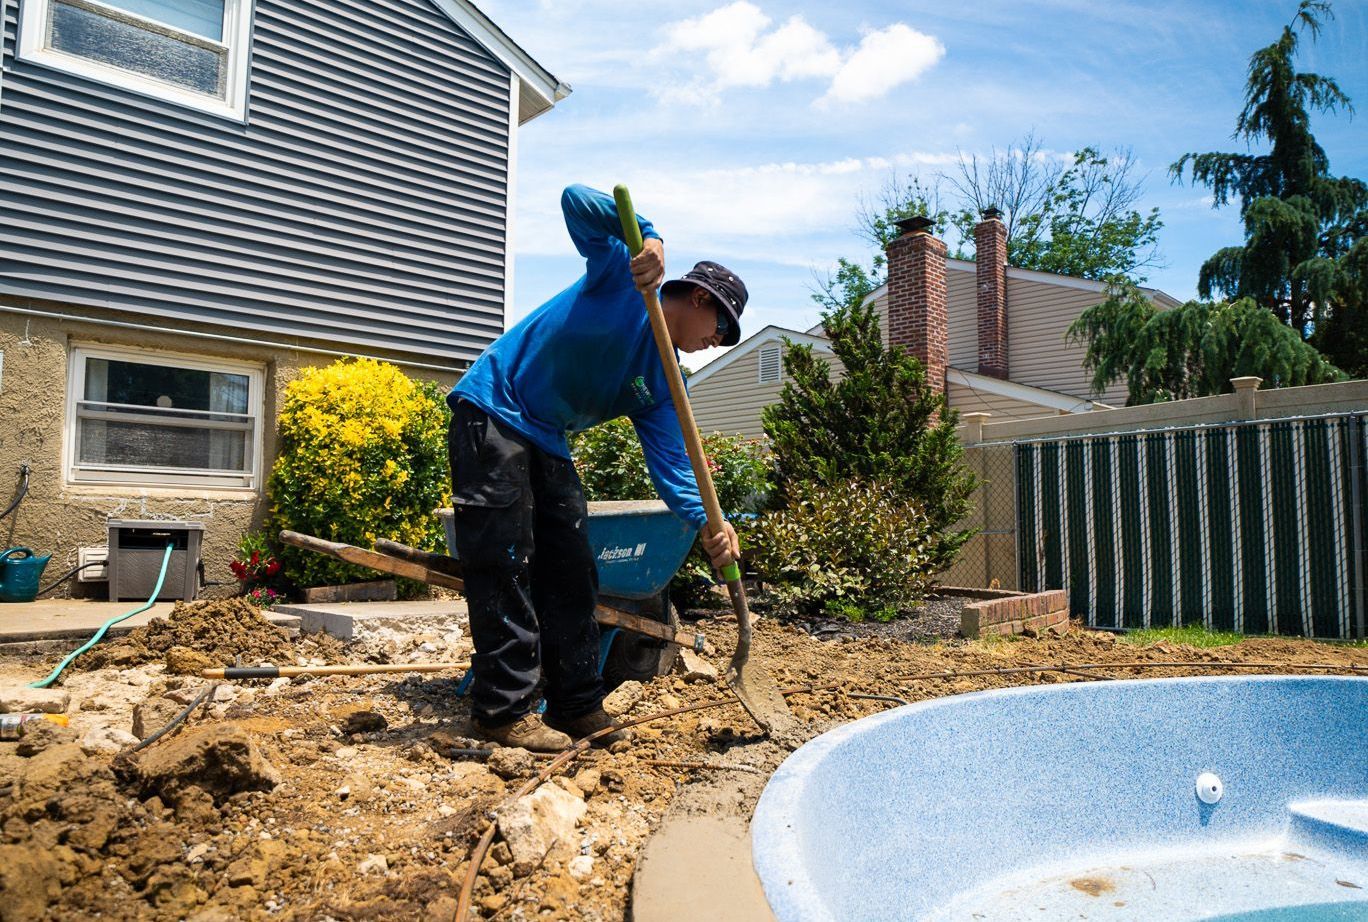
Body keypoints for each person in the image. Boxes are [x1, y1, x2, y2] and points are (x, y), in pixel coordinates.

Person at [447, 184, 748, 752]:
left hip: (547, 435)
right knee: (504, 558)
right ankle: (501, 712)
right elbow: (574, 201)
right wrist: (650, 235)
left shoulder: (664, 383)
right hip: (493, 407)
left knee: (573, 569)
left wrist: (713, 524)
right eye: (721, 327)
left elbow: (675, 471)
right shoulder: (624, 274)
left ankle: (576, 705)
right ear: (698, 298)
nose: (718, 342)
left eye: (727, 339)